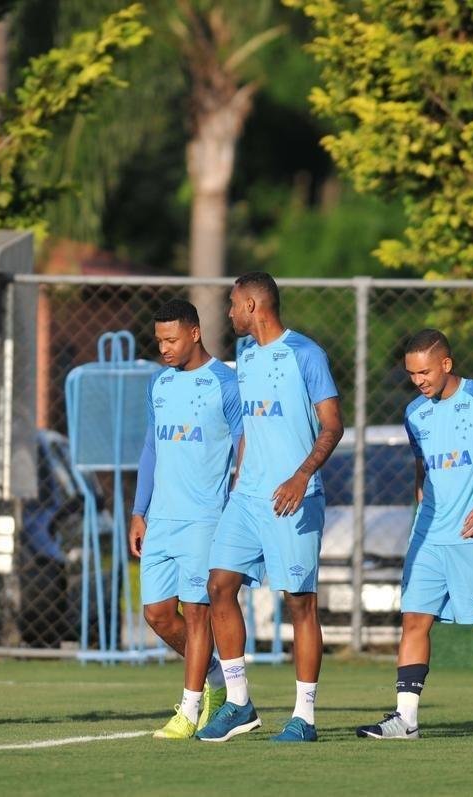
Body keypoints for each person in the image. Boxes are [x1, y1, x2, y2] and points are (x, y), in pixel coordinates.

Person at [195, 272, 344, 743]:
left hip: (294, 498)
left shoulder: (306, 354)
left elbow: (333, 426)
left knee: (299, 603)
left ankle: (305, 717)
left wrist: (302, 476)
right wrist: (237, 479)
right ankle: (239, 704)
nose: (230, 313)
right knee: (219, 585)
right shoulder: (245, 354)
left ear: (254, 305)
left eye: (234, 305)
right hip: (247, 498)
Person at [356, 329, 473, 740]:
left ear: (446, 364)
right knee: (413, 620)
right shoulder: (414, 413)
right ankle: (406, 720)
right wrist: (421, 517)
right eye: (412, 374)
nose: (419, 381)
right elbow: (422, 469)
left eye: (425, 372)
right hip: (428, 536)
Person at [129, 299, 245, 739]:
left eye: (171, 339)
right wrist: (139, 511)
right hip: (161, 520)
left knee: (198, 615)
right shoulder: (159, 385)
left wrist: (237, 503)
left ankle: (190, 709)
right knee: (157, 614)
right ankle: (214, 677)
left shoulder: (225, 384)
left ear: (195, 333)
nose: (164, 348)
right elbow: (151, 449)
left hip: (204, 520)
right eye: (159, 340)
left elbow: (243, 445)